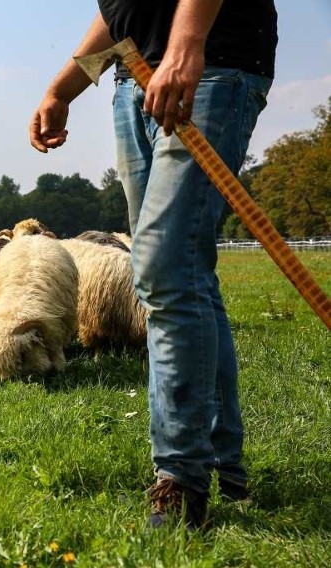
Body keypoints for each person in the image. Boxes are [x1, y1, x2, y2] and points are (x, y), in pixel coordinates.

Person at [30, 0, 277, 529]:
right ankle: (222, 461)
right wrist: (63, 89)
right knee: (183, 274)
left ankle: (181, 475)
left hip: (209, 67)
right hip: (134, 77)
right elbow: (122, 14)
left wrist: (187, 46)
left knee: (165, 269)